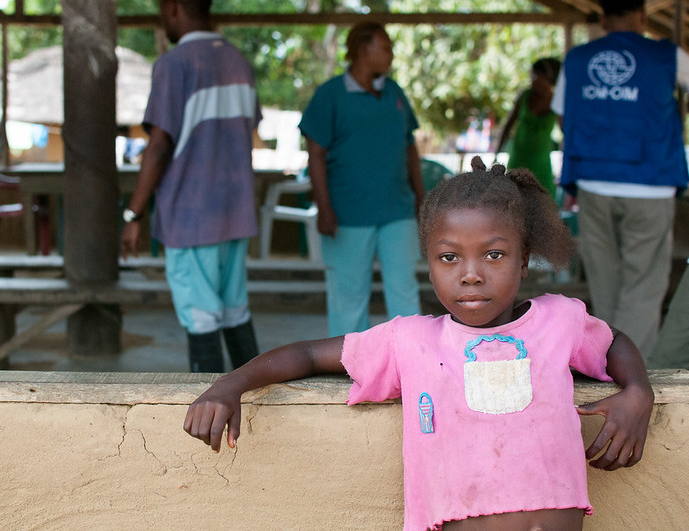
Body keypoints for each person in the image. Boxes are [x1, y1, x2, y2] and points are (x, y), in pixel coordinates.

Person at [183, 158, 654, 530]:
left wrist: (638, 391)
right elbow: (307, 354)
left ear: (524, 260)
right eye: (449, 257)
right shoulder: (411, 342)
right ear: (429, 263)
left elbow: (613, 342)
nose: (471, 274)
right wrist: (231, 384)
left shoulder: (559, 320)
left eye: (494, 254)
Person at [121, 0, 261, 373]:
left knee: (201, 318)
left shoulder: (174, 64)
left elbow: (159, 145)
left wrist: (133, 212)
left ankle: (209, 402)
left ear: (174, 8)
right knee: (234, 310)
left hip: (191, 215)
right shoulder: (238, 62)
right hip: (235, 212)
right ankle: (260, 398)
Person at [551, 0, 689, 360]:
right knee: (643, 286)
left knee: (604, 282)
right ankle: (632, 373)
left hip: (593, 182)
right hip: (651, 182)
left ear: (604, 18)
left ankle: (606, 364)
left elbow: (564, 119)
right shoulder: (666, 55)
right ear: (642, 15)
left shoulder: (578, 59)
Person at [298, 21, 425, 338]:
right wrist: (324, 208)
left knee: (405, 293)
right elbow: (315, 154)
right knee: (348, 299)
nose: (391, 54)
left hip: (398, 211)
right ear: (362, 49)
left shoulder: (394, 92)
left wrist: (422, 198)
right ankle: (348, 363)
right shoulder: (330, 94)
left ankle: (411, 357)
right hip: (347, 215)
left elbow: (410, 148)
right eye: (386, 47)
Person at [495, 57, 561, 198]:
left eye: (535, 75)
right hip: (518, 157)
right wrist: (497, 153)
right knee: (513, 197)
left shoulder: (556, 100)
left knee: (543, 200)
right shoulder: (525, 95)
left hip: (541, 162)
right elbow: (508, 126)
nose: (532, 79)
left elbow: (565, 130)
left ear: (547, 77)